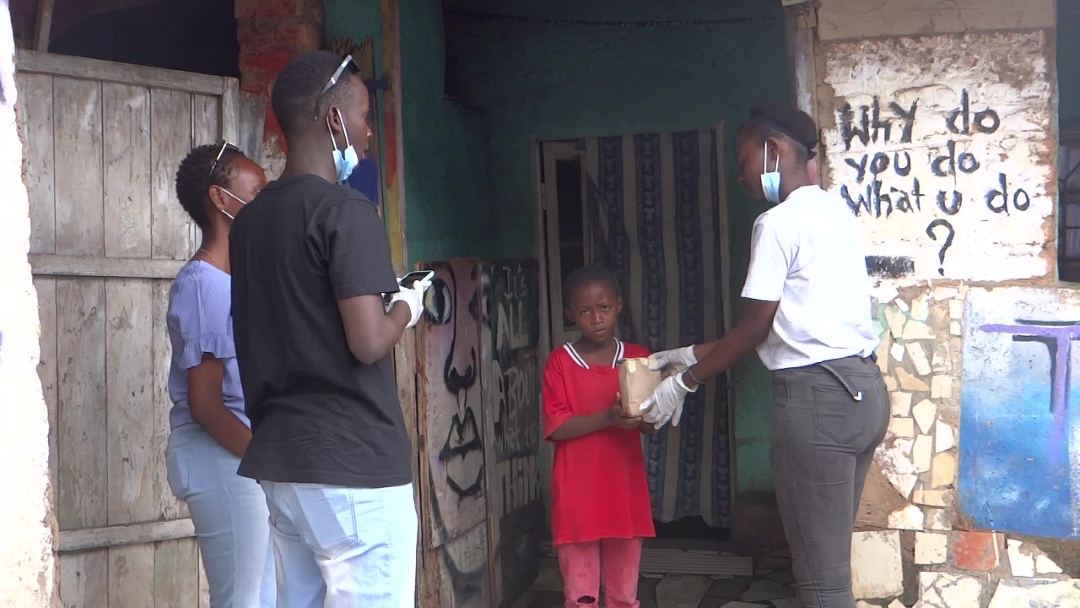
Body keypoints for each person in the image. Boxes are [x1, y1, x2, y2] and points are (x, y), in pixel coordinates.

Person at [640, 101, 889, 608]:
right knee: (828, 564)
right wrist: (685, 354)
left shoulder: (777, 223)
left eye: (743, 158)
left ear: (773, 150)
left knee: (820, 583)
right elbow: (784, 326)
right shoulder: (836, 213)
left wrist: (684, 382)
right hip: (863, 394)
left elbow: (753, 328)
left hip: (817, 403)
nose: (740, 175)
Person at [228, 50, 430, 608]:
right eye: (364, 115)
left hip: (284, 467)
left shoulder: (248, 223)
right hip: (353, 467)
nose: (369, 132)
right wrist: (406, 306)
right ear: (333, 118)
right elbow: (367, 342)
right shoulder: (346, 210)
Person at [165, 141, 275, 607]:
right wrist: (269, 461)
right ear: (220, 199)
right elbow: (206, 405)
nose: (266, 204)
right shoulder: (202, 286)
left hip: (241, 455)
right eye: (258, 193)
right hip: (222, 455)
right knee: (243, 600)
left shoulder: (235, 281)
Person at [542, 265, 657, 608]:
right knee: (581, 597)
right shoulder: (560, 362)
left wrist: (655, 406)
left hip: (624, 489)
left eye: (604, 307)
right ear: (570, 315)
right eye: (585, 311)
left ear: (618, 305)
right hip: (577, 492)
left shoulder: (638, 358)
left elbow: (649, 425)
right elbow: (557, 426)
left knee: (624, 595)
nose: (596, 318)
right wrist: (608, 418)